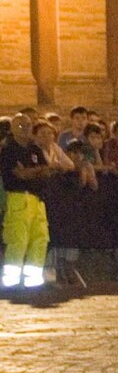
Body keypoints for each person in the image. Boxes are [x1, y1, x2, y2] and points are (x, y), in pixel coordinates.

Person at [1, 114, 59, 288]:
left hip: (37, 199)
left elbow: (43, 172)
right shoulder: (9, 150)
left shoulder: (34, 149)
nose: (24, 129)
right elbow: (20, 174)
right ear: (12, 129)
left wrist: (34, 171)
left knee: (40, 238)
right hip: (18, 198)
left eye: (27, 126)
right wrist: (38, 170)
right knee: (18, 239)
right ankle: (11, 281)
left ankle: (32, 279)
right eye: (20, 126)